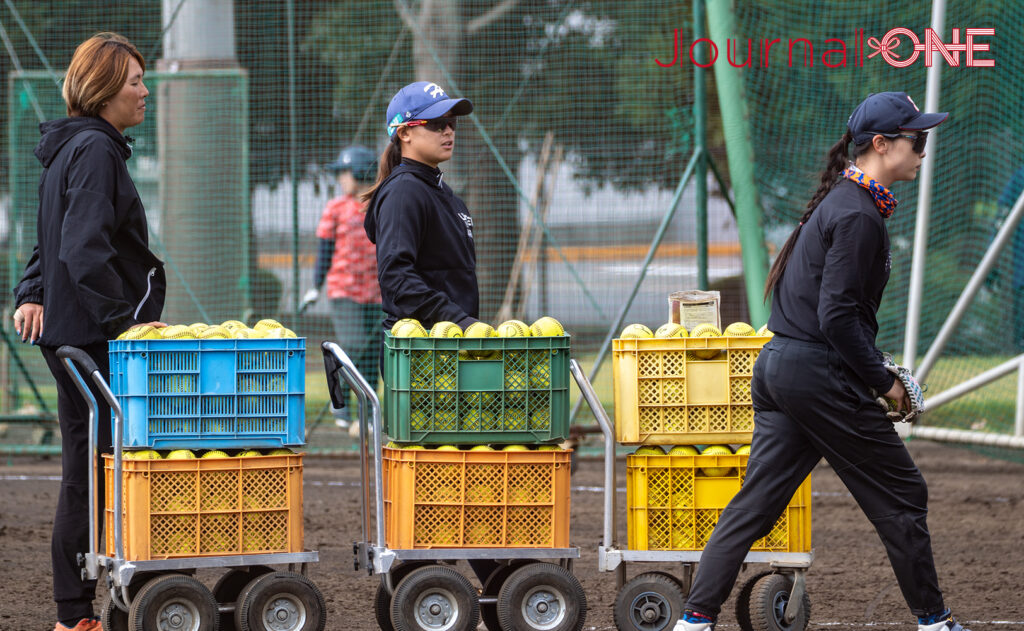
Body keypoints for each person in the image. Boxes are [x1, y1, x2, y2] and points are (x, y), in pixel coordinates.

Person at [676, 92, 970, 631]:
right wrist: (883, 382)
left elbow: (827, 315)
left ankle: (693, 622)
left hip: (782, 367)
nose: (923, 148)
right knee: (904, 493)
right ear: (881, 145)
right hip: (815, 373)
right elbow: (836, 319)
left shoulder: (846, 202)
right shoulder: (858, 215)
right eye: (916, 138)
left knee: (755, 506)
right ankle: (935, 622)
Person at [11, 33, 166, 631]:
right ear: (104, 91)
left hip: (73, 334)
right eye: (134, 81)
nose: (144, 90)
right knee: (91, 470)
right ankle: (76, 614)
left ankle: (85, 609)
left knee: (94, 465)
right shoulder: (95, 150)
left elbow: (49, 234)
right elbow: (78, 247)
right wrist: (125, 325)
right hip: (93, 339)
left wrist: (31, 291)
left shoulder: (74, 148)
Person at [362, 80, 478, 338]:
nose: (448, 131)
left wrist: (463, 324)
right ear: (404, 133)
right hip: (419, 352)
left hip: (450, 345)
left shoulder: (448, 197)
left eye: (452, 123)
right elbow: (397, 280)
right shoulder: (404, 191)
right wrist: (460, 320)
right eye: (437, 123)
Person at [301, 145, 382, 425]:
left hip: (376, 293)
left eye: (344, 172)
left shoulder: (381, 203)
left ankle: (366, 411)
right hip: (343, 290)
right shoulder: (336, 207)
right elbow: (325, 249)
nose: (341, 178)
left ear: (360, 171)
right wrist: (315, 286)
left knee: (373, 352)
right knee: (354, 345)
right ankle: (341, 405)